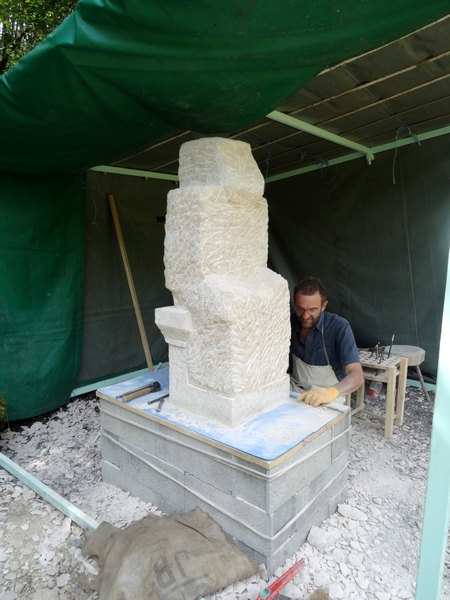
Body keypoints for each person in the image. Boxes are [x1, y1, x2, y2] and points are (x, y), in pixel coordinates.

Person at [290, 276, 364, 407]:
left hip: (328, 395)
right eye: (300, 309)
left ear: (324, 306)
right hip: (296, 389)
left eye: (312, 310)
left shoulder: (339, 327)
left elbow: (357, 376)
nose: (305, 316)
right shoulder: (289, 322)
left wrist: (331, 392)